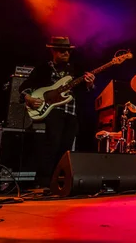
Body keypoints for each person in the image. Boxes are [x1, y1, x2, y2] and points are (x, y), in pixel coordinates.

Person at [19, 36, 95, 189]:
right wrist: (29, 98)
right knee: (52, 143)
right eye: (61, 51)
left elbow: (84, 90)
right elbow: (24, 87)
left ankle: (60, 181)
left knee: (66, 148)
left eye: (67, 51)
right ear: (53, 51)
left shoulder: (75, 70)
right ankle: (44, 180)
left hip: (72, 112)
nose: (65, 53)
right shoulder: (43, 69)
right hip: (53, 111)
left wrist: (90, 83)